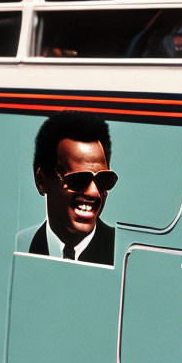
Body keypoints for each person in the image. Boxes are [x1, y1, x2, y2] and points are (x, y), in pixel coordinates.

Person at [20, 111, 118, 265]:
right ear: (41, 181)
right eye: (79, 179)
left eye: (103, 180)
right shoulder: (20, 247)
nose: (93, 192)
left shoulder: (122, 255)